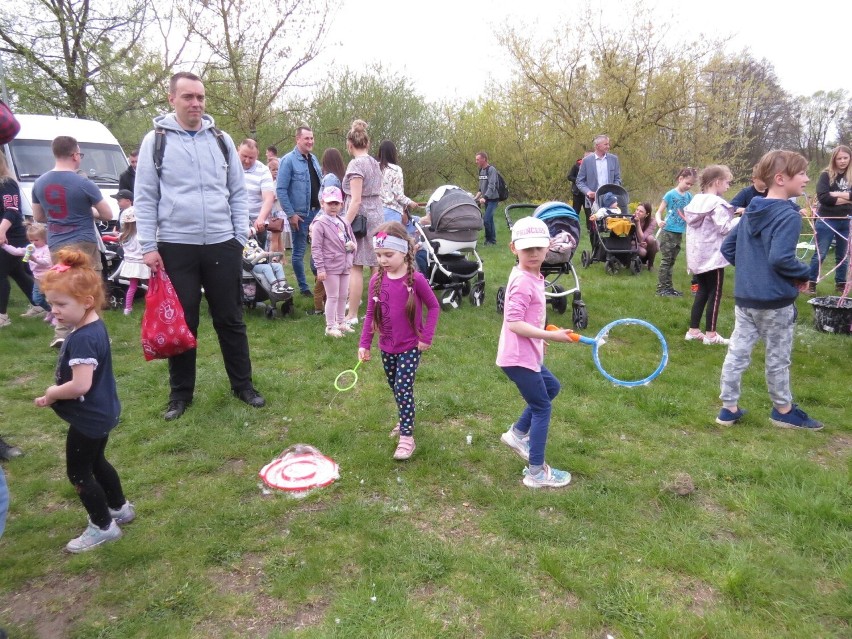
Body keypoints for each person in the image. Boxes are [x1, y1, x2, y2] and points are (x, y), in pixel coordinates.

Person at [134, 71, 265, 421]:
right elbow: (145, 197)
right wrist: (149, 245)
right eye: (188, 97)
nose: (195, 103)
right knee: (183, 322)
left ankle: (243, 386)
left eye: (200, 97)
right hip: (176, 244)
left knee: (231, 318)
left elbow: (238, 192)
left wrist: (238, 237)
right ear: (172, 98)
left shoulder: (221, 140)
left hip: (223, 243)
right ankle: (180, 396)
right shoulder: (155, 141)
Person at [34, 248, 135, 552]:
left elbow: (80, 385)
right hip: (103, 412)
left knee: (79, 472)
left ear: (87, 302)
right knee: (97, 460)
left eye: (61, 304)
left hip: (89, 418)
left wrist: (52, 393)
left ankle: (103, 526)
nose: (55, 310)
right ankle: (119, 507)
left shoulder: (82, 338)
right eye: (51, 303)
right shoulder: (93, 326)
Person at [717, 150, 823, 430]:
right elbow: (780, 259)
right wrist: (804, 274)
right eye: (801, 173)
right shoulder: (788, 217)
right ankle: (783, 410)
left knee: (737, 352)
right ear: (780, 179)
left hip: (745, 299)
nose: (806, 178)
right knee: (778, 357)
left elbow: (728, 248)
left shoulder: (751, 209)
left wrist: (753, 273)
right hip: (775, 302)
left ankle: (728, 408)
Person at [496, 216, 575, 488]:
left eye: (538, 248)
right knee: (542, 407)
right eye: (526, 248)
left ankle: (518, 434)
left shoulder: (532, 275)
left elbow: (527, 318)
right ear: (513, 248)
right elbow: (514, 323)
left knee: (552, 387)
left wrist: (541, 335)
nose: (533, 254)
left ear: (548, 249)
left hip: (527, 352)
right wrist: (548, 335)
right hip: (518, 358)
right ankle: (537, 473)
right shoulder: (521, 281)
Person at [358, 222, 440, 460]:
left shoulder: (416, 280)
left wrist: (426, 336)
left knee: (403, 387)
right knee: (395, 387)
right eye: (379, 255)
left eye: (388, 254)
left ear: (404, 251)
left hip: (410, 346)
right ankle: (405, 417)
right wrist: (364, 344)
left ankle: (407, 435)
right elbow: (370, 316)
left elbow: (434, 306)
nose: (382, 260)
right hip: (386, 346)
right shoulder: (376, 281)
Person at [31, 135, 113, 348]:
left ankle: (61, 333)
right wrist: (90, 211)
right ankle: (91, 333)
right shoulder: (83, 182)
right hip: (84, 242)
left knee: (63, 287)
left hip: (57, 242)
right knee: (89, 287)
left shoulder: (39, 183)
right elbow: (107, 213)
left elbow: (38, 217)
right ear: (75, 154)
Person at [684, 165, 739, 345]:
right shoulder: (716, 203)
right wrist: (740, 219)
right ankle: (711, 334)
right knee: (715, 294)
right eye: (727, 182)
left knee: (702, 291)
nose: (728, 187)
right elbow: (724, 228)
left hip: (698, 256)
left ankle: (693, 330)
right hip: (713, 257)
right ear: (717, 182)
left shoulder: (696, 201)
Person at [342, 119, 384, 326]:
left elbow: (356, 200)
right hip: (377, 214)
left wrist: (342, 224)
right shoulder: (374, 163)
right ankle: (377, 312)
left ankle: (352, 315)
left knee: (356, 265)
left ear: (350, 145)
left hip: (362, 219)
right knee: (377, 264)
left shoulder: (356, 164)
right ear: (367, 143)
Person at [276, 126, 323, 297]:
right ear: (298, 139)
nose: (310, 141)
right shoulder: (288, 161)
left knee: (320, 249)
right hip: (300, 216)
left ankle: (322, 284)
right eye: (307, 138)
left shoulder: (314, 159)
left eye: (312, 138)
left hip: (318, 212)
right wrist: (291, 214)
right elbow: (280, 189)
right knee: (299, 251)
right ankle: (304, 288)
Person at [311, 186, 356, 337]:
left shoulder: (343, 222)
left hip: (345, 265)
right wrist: (321, 268)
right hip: (330, 266)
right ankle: (330, 326)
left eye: (336, 203)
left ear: (341, 204)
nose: (333, 206)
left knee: (344, 294)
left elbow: (352, 239)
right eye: (330, 203)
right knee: (332, 296)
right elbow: (316, 248)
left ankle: (341, 323)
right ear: (322, 203)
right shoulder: (320, 223)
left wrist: (352, 249)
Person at [808, 145, 851, 294]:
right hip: (827, 219)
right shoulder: (825, 175)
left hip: (847, 220)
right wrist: (847, 198)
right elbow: (823, 197)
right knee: (821, 253)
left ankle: (841, 284)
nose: (842, 161)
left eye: (845, 158)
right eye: (839, 158)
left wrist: (835, 195)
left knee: (843, 255)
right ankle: (811, 283)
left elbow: (830, 196)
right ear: (834, 159)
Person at [0, 152, 35, 327]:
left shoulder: (7, 183)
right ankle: (39, 305)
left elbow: (12, 210)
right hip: (5, 237)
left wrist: (2, 230)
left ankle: (2, 316)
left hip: (12, 238)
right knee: (18, 272)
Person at [654, 167, 697, 296]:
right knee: (666, 260)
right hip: (668, 232)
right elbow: (659, 212)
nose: (689, 186)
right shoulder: (670, 194)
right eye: (687, 183)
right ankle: (661, 289)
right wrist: (659, 221)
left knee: (672, 260)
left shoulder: (689, 196)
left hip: (679, 232)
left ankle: (669, 288)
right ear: (680, 179)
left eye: (691, 184)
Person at [2, 222, 53, 320]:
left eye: (36, 240)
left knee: (50, 297)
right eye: (31, 240)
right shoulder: (31, 248)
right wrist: (4, 246)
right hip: (37, 278)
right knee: (36, 298)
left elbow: (47, 262)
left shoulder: (46, 249)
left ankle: (55, 314)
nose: (33, 242)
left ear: (44, 239)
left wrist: (34, 259)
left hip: (48, 278)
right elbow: (16, 251)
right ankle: (50, 310)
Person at [239, 138, 275, 251]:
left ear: (257, 155)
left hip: (256, 227)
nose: (247, 161)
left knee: (257, 263)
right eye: (244, 156)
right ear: (237, 150)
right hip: (234, 225)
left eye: (251, 158)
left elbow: (268, 198)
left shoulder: (263, 171)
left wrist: (261, 219)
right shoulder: (229, 167)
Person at [378, 140, 423, 224]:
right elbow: (398, 195)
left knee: (379, 237)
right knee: (393, 237)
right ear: (393, 153)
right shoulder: (396, 169)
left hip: (377, 212)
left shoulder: (375, 168)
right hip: (392, 212)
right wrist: (410, 202)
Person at [116, 210, 149, 315]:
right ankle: (151, 306)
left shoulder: (123, 236)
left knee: (132, 286)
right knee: (150, 286)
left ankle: (128, 308)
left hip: (130, 263)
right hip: (142, 262)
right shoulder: (141, 235)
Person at [575, 135, 622, 208]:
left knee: (611, 219)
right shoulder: (586, 160)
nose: (608, 146)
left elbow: (617, 179)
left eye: (608, 144)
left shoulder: (614, 159)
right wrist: (588, 192)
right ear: (597, 146)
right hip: (592, 200)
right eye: (606, 144)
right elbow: (579, 181)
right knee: (593, 219)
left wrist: (613, 190)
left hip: (610, 200)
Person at [473, 151, 500, 245]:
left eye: (478, 159)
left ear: (484, 159)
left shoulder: (491, 169)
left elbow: (492, 185)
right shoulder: (481, 170)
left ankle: (489, 240)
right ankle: (492, 240)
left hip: (493, 199)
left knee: (486, 219)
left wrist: (485, 197)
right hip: (486, 199)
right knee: (490, 220)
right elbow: (481, 188)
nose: (476, 161)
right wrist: (475, 198)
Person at [568, 151, 593, 232]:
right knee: (575, 211)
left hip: (588, 193)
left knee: (589, 212)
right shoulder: (576, 166)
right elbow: (569, 176)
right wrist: (579, 181)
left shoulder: (593, 166)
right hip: (577, 193)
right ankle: (572, 227)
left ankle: (590, 229)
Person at [632, 202, 658, 269]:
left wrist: (638, 224)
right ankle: (637, 261)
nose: (637, 212)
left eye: (641, 211)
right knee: (642, 252)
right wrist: (638, 243)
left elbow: (643, 238)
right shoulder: (631, 219)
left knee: (651, 239)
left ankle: (650, 265)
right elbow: (628, 238)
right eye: (637, 210)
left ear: (646, 214)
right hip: (633, 242)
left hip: (645, 242)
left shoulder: (652, 221)